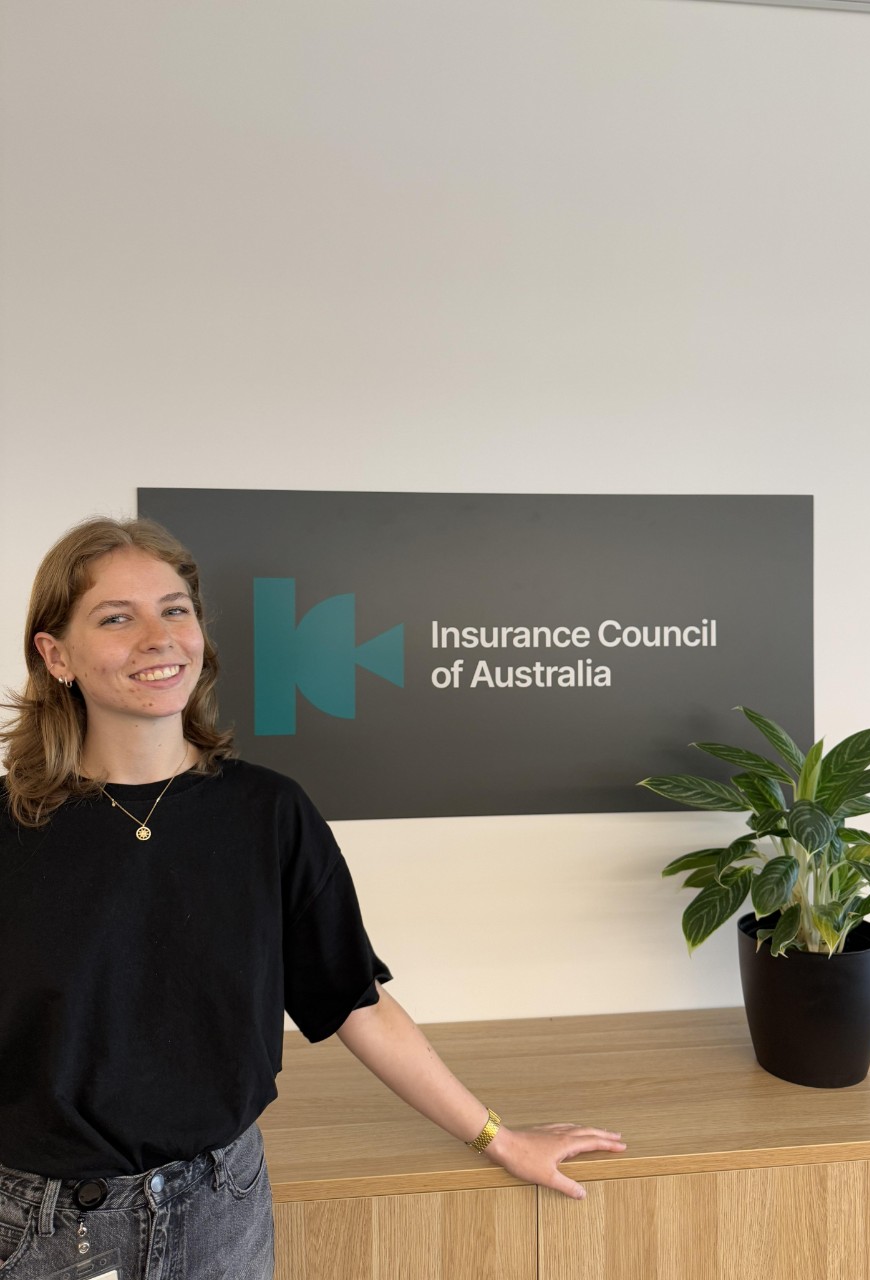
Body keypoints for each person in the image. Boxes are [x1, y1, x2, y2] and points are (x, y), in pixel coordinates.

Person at [0, 516, 625, 1280]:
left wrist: (500, 1137)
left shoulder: (267, 813)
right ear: (55, 654)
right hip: (43, 1231)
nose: (158, 637)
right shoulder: (12, 827)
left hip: (220, 1211)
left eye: (174, 609)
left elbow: (354, 1001)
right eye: (116, 617)